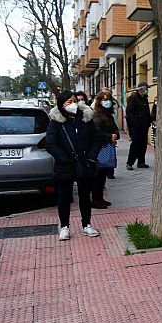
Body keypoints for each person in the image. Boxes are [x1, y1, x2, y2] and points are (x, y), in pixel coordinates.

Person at [45, 91, 103, 241]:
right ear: (62, 104)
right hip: (65, 166)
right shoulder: (56, 122)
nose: (73, 105)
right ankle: (64, 227)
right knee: (64, 197)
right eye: (69, 102)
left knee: (85, 196)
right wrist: (65, 158)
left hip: (84, 164)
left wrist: (91, 158)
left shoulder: (85, 118)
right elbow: (50, 144)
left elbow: (96, 140)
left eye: (74, 101)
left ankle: (86, 225)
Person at [91, 90, 119, 209]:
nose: (107, 102)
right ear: (99, 101)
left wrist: (115, 135)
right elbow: (97, 131)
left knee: (102, 175)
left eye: (108, 99)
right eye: (104, 99)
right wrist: (109, 136)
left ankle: (100, 198)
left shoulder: (108, 115)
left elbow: (115, 128)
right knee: (98, 175)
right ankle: (96, 200)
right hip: (100, 148)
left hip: (107, 145)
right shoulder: (96, 114)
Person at [126, 81, 151, 170]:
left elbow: (147, 112)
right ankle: (130, 163)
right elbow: (129, 112)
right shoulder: (133, 97)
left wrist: (150, 121)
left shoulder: (144, 98)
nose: (147, 90)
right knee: (135, 144)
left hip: (144, 125)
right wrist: (135, 122)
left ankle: (141, 162)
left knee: (143, 144)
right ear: (141, 89)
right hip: (137, 126)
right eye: (146, 88)